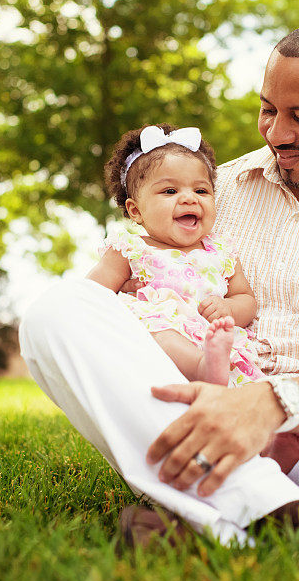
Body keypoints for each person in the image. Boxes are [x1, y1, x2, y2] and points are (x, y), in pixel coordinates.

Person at [19, 22, 299, 551]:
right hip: (202, 416)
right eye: (268, 109)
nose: (276, 133)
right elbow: (137, 287)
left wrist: (271, 403)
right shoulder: (211, 189)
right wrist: (226, 399)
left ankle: (228, 521)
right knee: (59, 309)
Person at [88, 122, 264, 388]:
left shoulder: (220, 251)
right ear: (135, 211)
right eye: (170, 191)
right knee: (159, 330)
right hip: (154, 357)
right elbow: (89, 296)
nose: (189, 198)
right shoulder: (130, 250)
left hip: (212, 344)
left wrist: (228, 308)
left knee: (249, 383)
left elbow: (246, 298)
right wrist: (119, 291)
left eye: (201, 190)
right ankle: (200, 367)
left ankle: (269, 424)